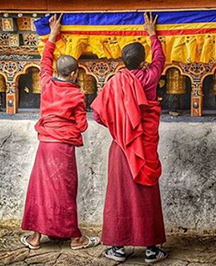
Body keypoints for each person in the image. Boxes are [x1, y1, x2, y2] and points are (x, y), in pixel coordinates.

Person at [91, 12, 167, 263]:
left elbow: (99, 115)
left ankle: (118, 248)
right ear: (143, 62)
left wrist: (119, 126)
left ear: (123, 61)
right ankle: (152, 249)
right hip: (144, 146)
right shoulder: (150, 76)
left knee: (120, 195)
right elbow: (160, 58)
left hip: (121, 147)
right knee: (146, 194)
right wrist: (152, 33)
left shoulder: (115, 82)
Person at [21, 14, 100, 250]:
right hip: (63, 148)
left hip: (45, 145)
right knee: (64, 192)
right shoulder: (76, 94)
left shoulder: (46, 83)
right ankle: (76, 238)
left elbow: (45, 59)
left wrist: (53, 34)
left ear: (57, 70)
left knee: (41, 189)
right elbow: (82, 125)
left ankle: (35, 238)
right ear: (74, 74)